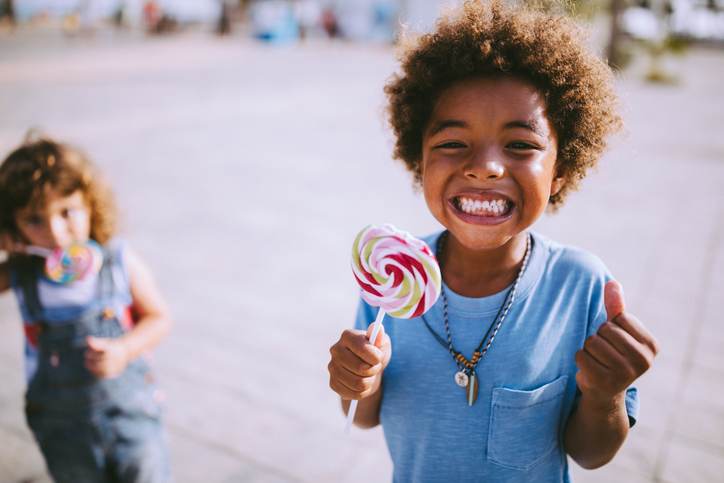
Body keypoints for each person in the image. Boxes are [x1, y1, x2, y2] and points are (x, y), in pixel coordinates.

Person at [327, 1, 660, 481]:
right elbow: (361, 415)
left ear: (561, 170)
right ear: (419, 162)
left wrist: (605, 396)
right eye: (452, 143)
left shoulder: (581, 285)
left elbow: (591, 454)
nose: (484, 165)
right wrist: (355, 379)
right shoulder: (391, 279)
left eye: (521, 144)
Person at [0, 136, 172, 483]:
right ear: (13, 225)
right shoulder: (21, 271)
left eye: (67, 212)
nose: (56, 232)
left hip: (130, 416)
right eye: (34, 220)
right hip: (62, 427)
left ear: (90, 204)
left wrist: (124, 350)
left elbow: (159, 318)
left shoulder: (117, 261)